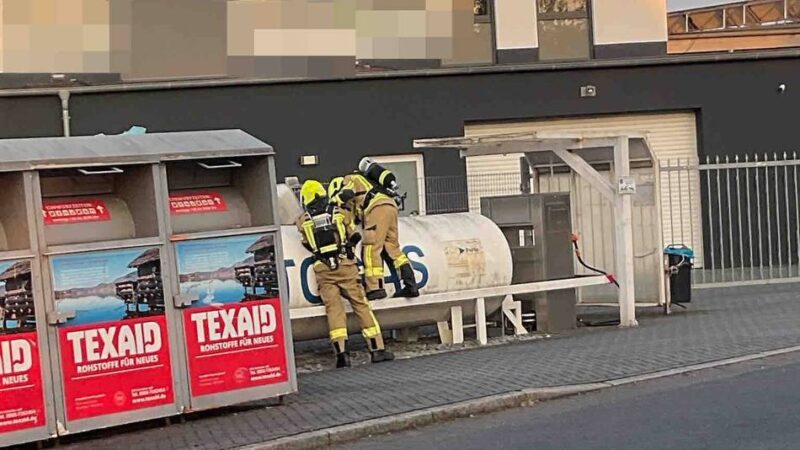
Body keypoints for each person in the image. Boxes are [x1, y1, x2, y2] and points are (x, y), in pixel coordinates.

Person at [296, 179, 394, 368]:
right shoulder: (339, 213)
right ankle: (377, 349)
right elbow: (352, 233)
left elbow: (306, 243)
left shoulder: (303, 221)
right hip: (345, 266)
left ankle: (341, 355)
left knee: (334, 310)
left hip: (323, 270)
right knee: (361, 305)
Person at [334, 159, 419, 300]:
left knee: (371, 248)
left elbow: (347, 194)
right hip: (391, 207)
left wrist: (336, 200)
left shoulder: (352, 178)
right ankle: (411, 284)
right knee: (393, 247)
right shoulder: (375, 182)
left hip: (376, 209)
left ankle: (375, 288)